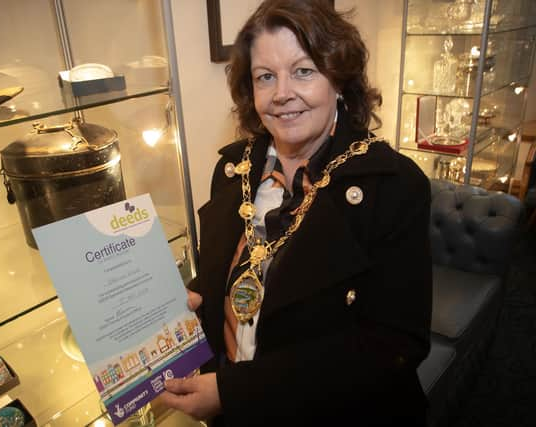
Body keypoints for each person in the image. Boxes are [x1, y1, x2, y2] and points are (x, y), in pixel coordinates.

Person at [159, 0, 432, 425]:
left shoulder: (394, 185)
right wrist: (198, 301)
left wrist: (234, 392)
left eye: (303, 71)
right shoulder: (233, 170)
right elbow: (238, 273)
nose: (282, 93)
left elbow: (394, 344)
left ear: (338, 80)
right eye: (265, 77)